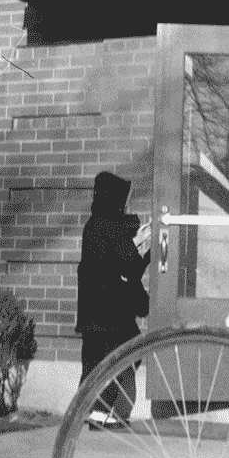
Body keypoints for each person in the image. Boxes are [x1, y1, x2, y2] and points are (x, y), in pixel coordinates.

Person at [75, 170, 150, 429]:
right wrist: (145, 249)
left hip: (99, 312)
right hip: (107, 314)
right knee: (111, 360)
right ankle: (100, 413)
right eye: (123, 199)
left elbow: (119, 261)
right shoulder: (107, 226)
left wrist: (137, 243)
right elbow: (127, 265)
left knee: (100, 362)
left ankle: (98, 412)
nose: (126, 205)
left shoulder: (99, 225)